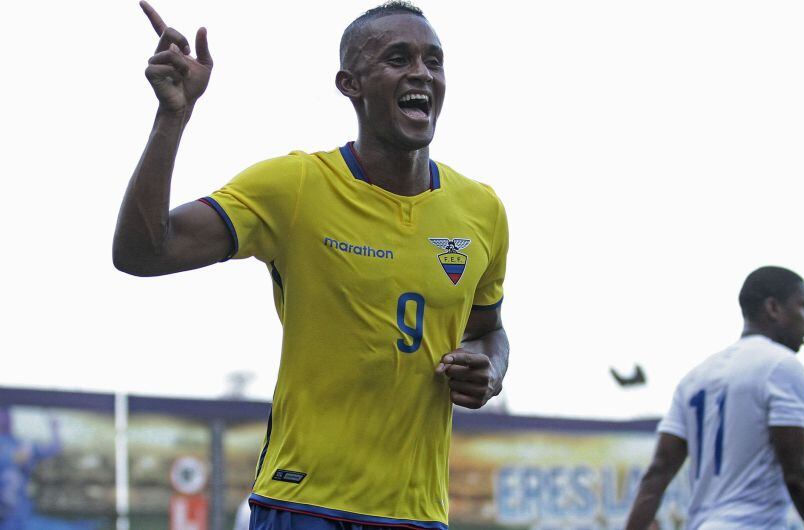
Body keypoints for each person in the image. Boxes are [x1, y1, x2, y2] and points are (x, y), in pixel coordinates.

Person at [113, 2, 510, 529]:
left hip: (417, 515)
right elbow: (143, 252)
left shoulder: (482, 210)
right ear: (351, 84)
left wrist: (491, 371)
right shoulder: (295, 186)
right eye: (398, 58)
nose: (421, 73)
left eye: (433, 61)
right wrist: (172, 116)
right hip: (303, 505)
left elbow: (489, 332)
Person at [624, 266, 804, 530]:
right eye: (803, 306)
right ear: (773, 308)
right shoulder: (781, 366)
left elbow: (656, 475)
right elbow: (798, 476)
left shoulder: (694, 378)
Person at [0, 407, 61, 530]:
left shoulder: (24, 445)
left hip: (18, 509)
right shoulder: (23, 446)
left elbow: (53, 448)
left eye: (4, 416)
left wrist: (54, 427)